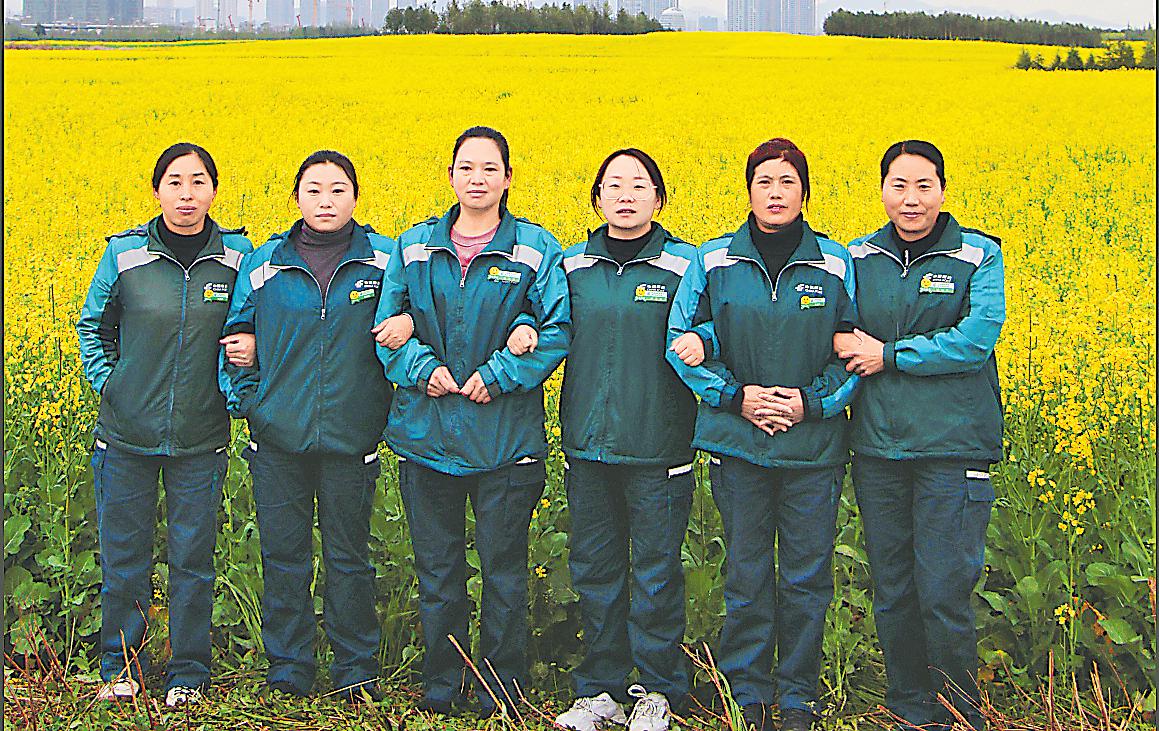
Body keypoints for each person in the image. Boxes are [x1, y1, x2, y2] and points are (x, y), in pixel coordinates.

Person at [373, 125, 570, 719]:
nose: (477, 178)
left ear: (508, 178)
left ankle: (501, 688)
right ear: (451, 176)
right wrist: (422, 368)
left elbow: (557, 329)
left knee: (504, 573)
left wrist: (500, 373)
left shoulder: (535, 249)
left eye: (489, 168)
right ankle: (443, 683)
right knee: (438, 572)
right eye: (466, 167)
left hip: (504, 440)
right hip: (427, 435)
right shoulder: (414, 247)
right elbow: (386, 327)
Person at [666, 138, 858, 731]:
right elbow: (681, 341)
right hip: (738, 444)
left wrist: (809, 404)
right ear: (748, 191)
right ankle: (746, 692)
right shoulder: (714, 259)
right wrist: (737, 398)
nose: (775, 193)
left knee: (806, 578)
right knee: (746, 573)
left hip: (812, 448)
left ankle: (798, 697)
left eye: (787, 182)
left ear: (805, 192)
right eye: (764, 182)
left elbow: (853, 351)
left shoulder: (835, 262)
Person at [219, 150, 402, 705]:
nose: (326, 201)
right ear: (296, 197)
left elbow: (413, 323)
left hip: (351, 437)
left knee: (350, 558)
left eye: (338, 189)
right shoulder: (265, 263)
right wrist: (252, 405)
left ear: (356, 197)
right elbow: (234, 337)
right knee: (284, 556)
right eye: (314, 190)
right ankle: (290, 667)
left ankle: (355, 669)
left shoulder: (384, 260)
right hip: (278, 438)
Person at [835, 140, 1004, 731]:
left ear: (943, 190)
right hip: (878, 446)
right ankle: (909, 707)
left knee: (943, 589)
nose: (911, 199)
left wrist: (890, 355)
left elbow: (975, 340)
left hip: (952, 446)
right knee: (893, 587)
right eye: (899, 185)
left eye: (923, 185)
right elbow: (839, 330)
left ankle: (958, 712)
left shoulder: (978, 254)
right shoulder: (859, 257)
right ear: (882, 190)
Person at [77, 142, 251, 708]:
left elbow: (256, 326)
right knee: (125, 558)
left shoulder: (237, 257)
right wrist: (112, 386)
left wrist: (236, 387)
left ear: (214, 191)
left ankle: (188, 673)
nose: (186, 194)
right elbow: (92, 326)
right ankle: (120, 666)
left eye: (198, 182)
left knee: (192, 559)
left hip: (202, 436)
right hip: (126, 435)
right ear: (157, 191)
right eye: (175, 182)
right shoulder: (125, 254)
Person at [548, 149, 704, 731]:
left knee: (657, 573)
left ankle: (658, 690)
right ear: (596, 199)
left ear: (659, 199)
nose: (626, 195)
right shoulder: (571, 266)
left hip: (659, 446)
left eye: (639, 185)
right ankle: (601, 689)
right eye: (613, 184)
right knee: (595, 570)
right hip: (588, 443)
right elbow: (540, 323)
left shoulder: (686, 265)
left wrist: (706, 343)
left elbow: (715, 326)